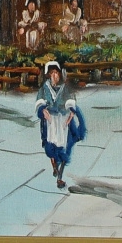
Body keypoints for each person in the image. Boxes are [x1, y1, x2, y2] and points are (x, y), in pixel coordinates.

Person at [35, 61, 87, 189]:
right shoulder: (44, 88)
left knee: (64, 147)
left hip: (63, 119)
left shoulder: (64, 88)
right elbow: (39, 102)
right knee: (51, 146)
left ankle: (60, 177)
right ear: (48, 75)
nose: (55, 76)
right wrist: (42, 110)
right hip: (50, 121)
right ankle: (54, 166)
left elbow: (71, 100)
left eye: (56, 73)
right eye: (52, 73)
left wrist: (72, 113)